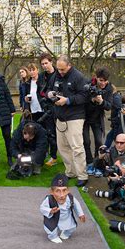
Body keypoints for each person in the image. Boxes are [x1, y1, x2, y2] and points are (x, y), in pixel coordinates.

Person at [47, 55, 89, 187]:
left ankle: (82, 175)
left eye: (63, 69)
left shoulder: (78, 77)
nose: (60, 72)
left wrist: (68, 100)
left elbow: (84, 96)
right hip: (60, 116)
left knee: (76, 147)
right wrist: (50, 94)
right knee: (63, 147)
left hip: (75, 116)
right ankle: (70, 172)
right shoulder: (56, 75)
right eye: (58, 69)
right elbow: (48, 88)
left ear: (69, 65)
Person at [40, 174, 86, 244]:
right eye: (58, 191)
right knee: (52, 230)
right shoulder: (49, 199)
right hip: (54, 219)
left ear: (68, 190)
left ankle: (65, 234)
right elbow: (42, 207)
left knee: (72, 227)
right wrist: (50, 211)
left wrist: (81, 214)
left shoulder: (70, 198)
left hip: (66, 218)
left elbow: (76, 205)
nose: (62, 195)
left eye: (64, 190)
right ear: (52, 192)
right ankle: (53, 237)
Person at [84, 67, 113, 175]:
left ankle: (97, 163)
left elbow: (109, 106)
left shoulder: (109, 88)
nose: (103, 83)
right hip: (85, 117)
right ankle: (89, 163)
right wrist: (91, 100)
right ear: (96, 78)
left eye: (105, 81)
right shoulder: (88, 84)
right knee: (86, 142)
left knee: (99, 142)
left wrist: (101, 102)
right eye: (101, 80)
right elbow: (81, 100)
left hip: (97, 118)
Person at [38, 53, 58, 167]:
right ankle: (54, 157)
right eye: (42, 64)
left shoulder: (58, 74)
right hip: (48, 109)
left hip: (60, 107)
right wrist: (45, 97)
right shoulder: (42, 76)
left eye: (46, 63)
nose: (45, 66)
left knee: (63, 135)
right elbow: (39, 92)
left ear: (51, 62)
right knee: (50, 134)